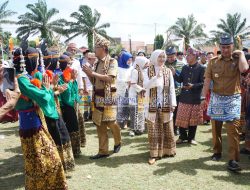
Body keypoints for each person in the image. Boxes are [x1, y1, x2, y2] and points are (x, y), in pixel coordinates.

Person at [14, 47, 68, 189]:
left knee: (37, 161)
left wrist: (50, 88)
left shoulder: (24, 78)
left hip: (33, 122)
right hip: (30, 126)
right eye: (36, 60)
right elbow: (43, 97)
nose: (38, 63)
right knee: (49, 160)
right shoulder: (22, 80)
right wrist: (48, 88)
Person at [202, 34, 249, 171]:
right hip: (216, 98)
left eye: (228, 47)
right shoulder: (213, 62)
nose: (226, 50)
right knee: (216, 128)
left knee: (233, 131)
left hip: (233, 99)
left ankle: (233, 160)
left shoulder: (237, 60)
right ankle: (217, 152)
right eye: (223, 47)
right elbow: (207, 81)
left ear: (232, 46)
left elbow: (245, 70)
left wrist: (241, 54)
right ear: (220, 47)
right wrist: (203, 97)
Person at [83, 32, 122, 159]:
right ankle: (103, 151)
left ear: (103, 49)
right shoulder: (97, 63)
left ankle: (118, 141)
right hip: (98, 96)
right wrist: (88, 73)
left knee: (111, 122)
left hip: (109, 96)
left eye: (96, 48)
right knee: (100, 124)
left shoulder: (112, 61)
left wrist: (92, 73)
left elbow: (110, 79)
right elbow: (95, 81)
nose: (94, 50)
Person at [144, 49, 176, 165]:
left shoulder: (167, 71)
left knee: (167, 127)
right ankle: (154, 154)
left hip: (165, 103)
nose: (162, 59)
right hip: (151, 104)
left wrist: (173, 103)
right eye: (159, 57)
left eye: (163, 57)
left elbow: (171, 88)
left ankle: (168, 151)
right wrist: (155, 77)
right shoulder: (147, 70)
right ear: (154, 57)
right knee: (153, 129)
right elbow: (145, 86)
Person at [172, 48, 205, 145]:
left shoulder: (201, 68)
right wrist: (174, 74)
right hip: (184, 97)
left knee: (193, 120)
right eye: (186, 55)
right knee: (181, 118)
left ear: (194, 56)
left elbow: (203, 83)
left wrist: (193, 86)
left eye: (189, 55)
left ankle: (191, 138)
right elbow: (180, 79)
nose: (186, 57)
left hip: (195, 97)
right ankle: (182, 137)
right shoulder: (185, 67)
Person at [58, 54, 81, 158]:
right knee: (71, 127)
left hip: (71, 104)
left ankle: (75, 149)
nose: (70, 66)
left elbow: (74, 90)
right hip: (66, 106)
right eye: (68, 64)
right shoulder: (60, 76)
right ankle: (73, 151)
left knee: (74, 126)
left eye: (70, 63)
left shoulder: (68, 73)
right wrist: (72, 80)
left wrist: (73, 80)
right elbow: (66, 95)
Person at [66, 43, 86, 148]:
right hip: (65, 91)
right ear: (67, 49)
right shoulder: (63, 59)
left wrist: (81, 88)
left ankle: (80, 140)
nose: (73, 51)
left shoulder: (77, 62)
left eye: (74, 50)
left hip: (75, 90)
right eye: (71, 49)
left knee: (79, 114)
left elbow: (79, 77)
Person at [165, 46, 185, 136]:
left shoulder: (181, 64)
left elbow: (183, 77)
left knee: (176, 112)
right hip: (165, 92)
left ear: (175, 55)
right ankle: (167, 128)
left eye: (171, 56)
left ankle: (175, 128)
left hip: (178, 92)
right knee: (166, 111)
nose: (169, 59)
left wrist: (175, 73)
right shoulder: (163, 64)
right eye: (168, 57)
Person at [129, 56, 149, 136]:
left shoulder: (143, 70)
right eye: (146, 63)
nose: (147, 65)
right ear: (141, 63)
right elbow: (133, 83)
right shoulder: (135, 71)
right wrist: (141, 89)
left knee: (141, 111)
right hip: (134, 94)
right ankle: (132, 129)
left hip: (141, 95)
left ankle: (140, 128)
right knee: (134, 112)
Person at [116, 52, 133, 129]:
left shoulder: (131, 68)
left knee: (127, 107)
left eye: (131, 60)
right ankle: (119, 123)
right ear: (124, 59)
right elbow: (116, 79)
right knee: (120, 107)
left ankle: (125, 122)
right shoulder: (118, 68)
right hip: (120, 90)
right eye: (128, 60)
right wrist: (126, 81)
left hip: (129, 90)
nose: (130, 61)